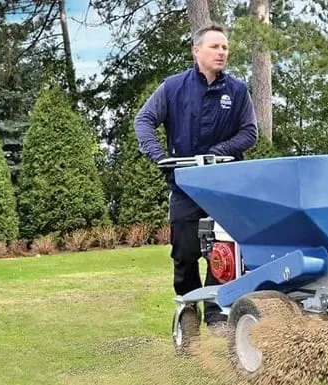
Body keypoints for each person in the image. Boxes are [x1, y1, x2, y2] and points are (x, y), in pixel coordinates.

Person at [133, 23, 258, 335]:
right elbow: (144, 120)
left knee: (224, 252)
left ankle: (217, 314)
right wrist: (158, 155)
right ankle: (188, 309)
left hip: (224, 187)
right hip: (185, 185)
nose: (221, 52)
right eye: (215, 46)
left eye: (225, 48)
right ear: (196, 51)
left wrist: (220, 151)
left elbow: (250, 132)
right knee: (185, 252)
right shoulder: (173, 88)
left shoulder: (237, 91)